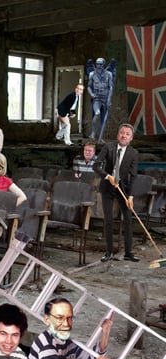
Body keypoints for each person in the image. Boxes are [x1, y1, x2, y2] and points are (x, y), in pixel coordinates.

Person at [93, 123, 139, 262]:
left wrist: (130, 196)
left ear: (131, 138)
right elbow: (96, 165)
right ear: (117, 134)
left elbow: (133, 175)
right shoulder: (108, 147)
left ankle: (128, 253)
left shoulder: (133, 153)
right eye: (122, 133)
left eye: (127, 134)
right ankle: (108, 252)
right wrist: (107, 176)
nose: (124, 135)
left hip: (122, 189)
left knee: (128, 219)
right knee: (108, 220)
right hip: (108, 186)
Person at [27, 297, 113, 359]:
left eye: (69, 318)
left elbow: (95, 356)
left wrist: (106, 332)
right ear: (47, 320)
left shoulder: (66, 342)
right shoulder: (45, 344)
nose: (66, 324)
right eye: (59, 318)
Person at [88, 58, 114, 144]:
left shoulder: (109, 74)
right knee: (97, 113)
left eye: (101, 64)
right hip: (97, 98)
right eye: (97, 64)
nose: (99, 66)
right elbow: (89, 86)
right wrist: (91, 94)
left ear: (104, 65)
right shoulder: (92, 74)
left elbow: (110, 87)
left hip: (105, 98)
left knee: (104, 119)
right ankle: (93, 132)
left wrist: (109, 99)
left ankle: (100, 139)